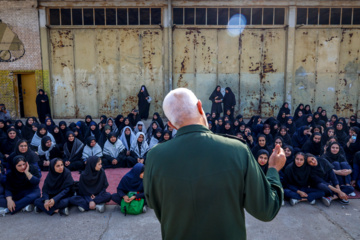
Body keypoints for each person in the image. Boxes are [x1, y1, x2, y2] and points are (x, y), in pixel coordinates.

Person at [144, 88, 285, 240]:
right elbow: (267, 209)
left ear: (171, 125)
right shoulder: (237, 150)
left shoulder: (155, 157)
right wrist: (273, 169)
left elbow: (152, 202)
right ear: (200, 106)